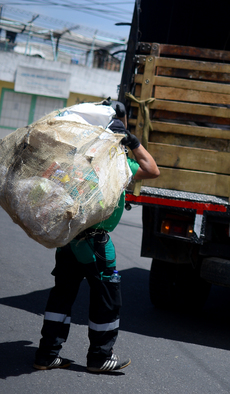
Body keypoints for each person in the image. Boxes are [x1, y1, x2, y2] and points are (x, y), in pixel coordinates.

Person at [33, 100, 159, 373]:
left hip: (68, 238)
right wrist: (133, 141)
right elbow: (152, 169)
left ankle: (47, 354)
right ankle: (100, 357)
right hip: (95, 243)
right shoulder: (115, 164)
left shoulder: (70, 159)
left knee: (62, 295)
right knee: (106, 298)